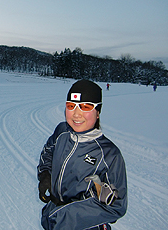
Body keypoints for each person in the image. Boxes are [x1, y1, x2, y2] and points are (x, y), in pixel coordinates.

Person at [37, 79, 127, 230]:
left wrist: (63, 216)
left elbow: (116, 206)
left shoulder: (109, 154)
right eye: (71, 106)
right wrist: (45, 174)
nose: (76, 114)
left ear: (98, 112)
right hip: (53, 218)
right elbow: (48, 152)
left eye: (86, 107)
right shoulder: (62, 131)